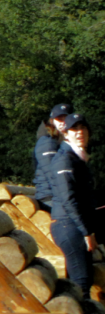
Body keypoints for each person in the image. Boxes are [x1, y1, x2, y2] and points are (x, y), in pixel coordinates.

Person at [49, 113, 98, 296]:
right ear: (66, 134)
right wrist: (86, 232)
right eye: (74, 129)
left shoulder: (78, 158)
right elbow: (69, 199)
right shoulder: (64, 159)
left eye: (83, 128)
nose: (79, 132)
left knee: (84, 280)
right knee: (81, 283)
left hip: (75, 225)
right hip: (68, 226)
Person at [34, 103, 72, 210]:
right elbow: (53, 176)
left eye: (66, 119)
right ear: (52, 121)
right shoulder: (47, 142)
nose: (63, 123)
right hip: (49, 197)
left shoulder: (63, 141)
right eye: (59, 119)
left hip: (60, 195)